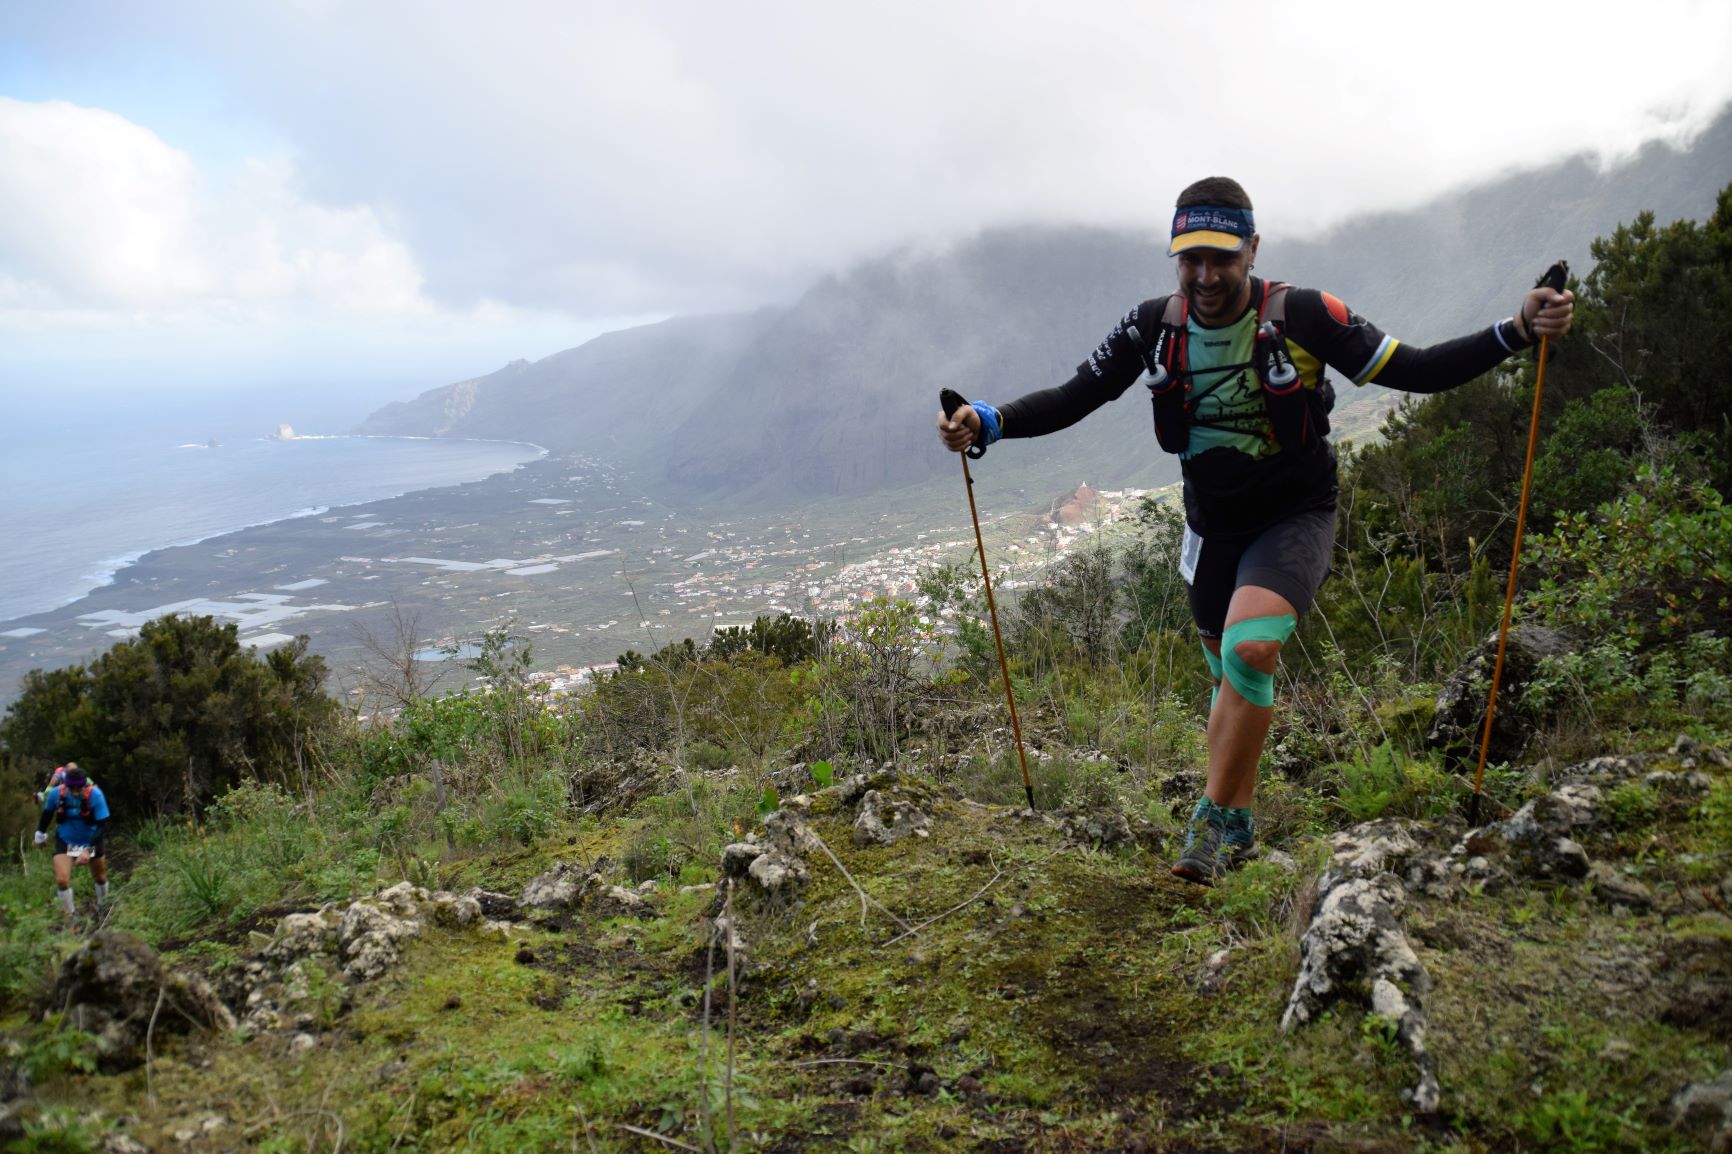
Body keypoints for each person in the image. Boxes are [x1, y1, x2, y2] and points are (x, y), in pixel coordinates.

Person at [936, 176, 1573, 884]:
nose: (1206, 276)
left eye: (1222, 259)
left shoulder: (1305, 315)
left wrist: (1515, 331)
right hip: (1212, 525)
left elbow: (1415, 369)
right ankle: (1239, 820)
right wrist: (989, 421)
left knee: (1252, 652)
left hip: (1295, 514)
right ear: (1175, 258)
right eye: (1190, 260)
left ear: (1252, 250)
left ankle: (1207, 826)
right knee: (1226, 677)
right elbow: (1076, 395)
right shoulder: (1153, 324)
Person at [34, 763, 112, 916]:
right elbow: (47, 814)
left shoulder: (95, 795)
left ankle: (103, 907)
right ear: (66, 786)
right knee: (62, 880)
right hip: (66, 840)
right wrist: (40, 835)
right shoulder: (57, 794)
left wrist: (88, 850)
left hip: (91, 840)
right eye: (72, 789)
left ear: (85, 786)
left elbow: (103, 826)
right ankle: (71, 916)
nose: (75, 792)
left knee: (100, 876)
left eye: (79, 789)